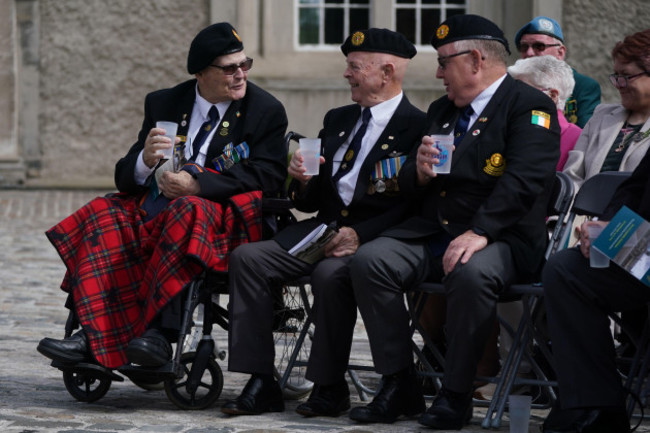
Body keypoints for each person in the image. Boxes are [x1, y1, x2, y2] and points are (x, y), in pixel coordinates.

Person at [347, 14, 560, 429]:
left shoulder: (529, 106)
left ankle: (457, 393)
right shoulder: (442, 109)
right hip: (437, 232)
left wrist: (480, 231)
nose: (438, 72)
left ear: (477, 60)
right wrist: (419, 172)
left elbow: (525, 180)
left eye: (445, 61)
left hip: (503, 237)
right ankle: (400, 382)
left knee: (469, 272)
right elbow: (411, 177)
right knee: (371, 261)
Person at [36, 22, 288, 370]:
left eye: (245, 65)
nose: (240, 75)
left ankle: (158, 335)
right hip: (157, 207)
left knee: (185, 210)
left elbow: (269, 173)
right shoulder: (165, 102)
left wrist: (199, 185)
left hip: (216, 218)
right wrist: (144, 160)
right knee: (103, 214)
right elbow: (125, 176)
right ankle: (90, 334)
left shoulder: (264, 109)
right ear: (201, 73)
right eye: (230, 68)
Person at [221, 28, 426, 417]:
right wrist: (301, 180)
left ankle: (329, 387)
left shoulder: (419, 126)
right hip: (323, 229)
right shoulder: (338, 119)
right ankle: (261, 379)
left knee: (330, 274)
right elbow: (313, 200)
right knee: (247, 258)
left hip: (374, 237)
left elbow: (417, 204)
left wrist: (361, 234)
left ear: (386, 72)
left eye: (354, 67)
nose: (346, 74)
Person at [539, 155, 650, 433]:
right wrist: (607, 225)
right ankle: (595, 406)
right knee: (567, 269)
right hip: (645, 247)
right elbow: (634, 188)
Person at [563, 29, 650, 191]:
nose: (617, 84)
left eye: (625, 76)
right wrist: (571, 216)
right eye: (616, 75)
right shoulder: (601, 116)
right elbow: (572, 176)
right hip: (583, 215)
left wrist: (616, 218)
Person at [515, 16, 601, 128]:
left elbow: (585, 134)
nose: (529, 53)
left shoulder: (583, 86)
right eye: (524, 47)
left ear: (560, 53)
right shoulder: (513, 84)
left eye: (539, 46)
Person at [509, 55, 581, 170]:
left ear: (552, 96)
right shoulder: (507, 128)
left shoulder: (578, 141)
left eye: (521, 91)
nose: (511, 97)